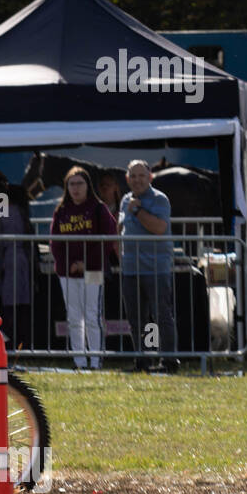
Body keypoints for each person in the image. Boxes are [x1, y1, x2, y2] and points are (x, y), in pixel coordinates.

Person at [49, 166, 118, 370]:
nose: (76, 188)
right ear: (66, 187)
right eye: (72, 184)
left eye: (80, 183)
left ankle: (95, 361)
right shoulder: (61, 211)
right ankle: (79, 361)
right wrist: (69, 264)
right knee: (73, 316)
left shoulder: (99, 208)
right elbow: (55, 242)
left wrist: (85, 263)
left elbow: (108, 238)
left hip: (94, 270)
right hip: (67, 273)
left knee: (92, 315)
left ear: (88, 186)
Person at [118, 159, 177, 372]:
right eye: (133, 176)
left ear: (150, 177)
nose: (137, 180)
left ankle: (168, 361)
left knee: (161, 315)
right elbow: (121, 228)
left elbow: (160, 228)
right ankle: (142, 361)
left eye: (141, 176)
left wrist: (138, 211)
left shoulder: (160, 200)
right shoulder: (125, 200)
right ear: (127, 179)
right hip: (130, 269)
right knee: (137, 318)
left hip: (155, 268)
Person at [0, 166, 36, 350]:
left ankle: (11, 343)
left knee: (8, 305)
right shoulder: (18, 208)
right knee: (18, 304)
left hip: (7, 263)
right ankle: (20, 343)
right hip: (19, 261)